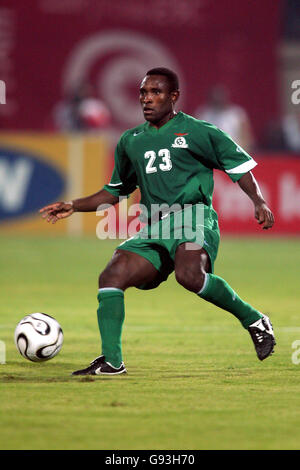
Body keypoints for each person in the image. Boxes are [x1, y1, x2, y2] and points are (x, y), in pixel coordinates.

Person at [40, 67, 276, 376]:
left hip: (193, 218)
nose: (147, 99)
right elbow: (115, 192)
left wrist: (258, 201)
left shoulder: (199, 131)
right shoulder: (130, 141)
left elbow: (239, 166)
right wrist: (73, 205)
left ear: (174, 96)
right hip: (153, 226)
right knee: (112, 274)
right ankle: (112, 361)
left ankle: (254, 319)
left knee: (190, 275)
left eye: (156, 92)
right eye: (143, 93)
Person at [195, 85, 255, 153]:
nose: (218, 103)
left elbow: (246, 138)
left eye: (220, 100)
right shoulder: (203, 114)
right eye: (216, 101)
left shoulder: (237, 114)